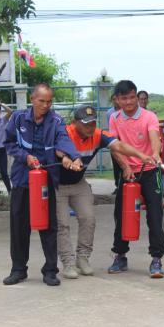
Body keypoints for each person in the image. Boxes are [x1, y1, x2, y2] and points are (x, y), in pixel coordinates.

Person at [57, 105, 155, 279]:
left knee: (88, 219)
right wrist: (65, 158)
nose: (90, 127)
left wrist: (141, 155)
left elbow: (119, 146)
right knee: (62, 224)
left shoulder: (97, 135)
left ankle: (83, 259)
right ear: (75, 123)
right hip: (58, 185)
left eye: (93, 122)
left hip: (79, 183)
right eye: (86, 123)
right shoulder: (65, 132)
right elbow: (58, 149)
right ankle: (68, 263)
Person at [3, 83, 83, 286]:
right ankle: (18, 270)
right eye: (42, 101)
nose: (46, 105)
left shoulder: (56, 120)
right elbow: (9, 143)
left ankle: (50, 271)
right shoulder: (18, 118)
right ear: (32, 99)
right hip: (22, 179)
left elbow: (63, 139)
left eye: (49, 101)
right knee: (19, 226)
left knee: (49, 227)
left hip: (46, 181)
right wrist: (25, 156)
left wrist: (73, 156)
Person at [108, 80, 164, 279]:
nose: (129, 102)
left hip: (150, 171)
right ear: (118, 100)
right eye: (124, 98)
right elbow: (115, 147)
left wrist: (156, 154)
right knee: (122, 215)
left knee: (155, 215)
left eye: (132, 97)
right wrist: (125, 167)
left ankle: (156, 259)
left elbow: (154, 137)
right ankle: (120, 255)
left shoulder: (149, 116)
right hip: (128, 173)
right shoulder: (114, 118)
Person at [107, 93, 121, 194]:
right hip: (115, 142)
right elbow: (110, 128)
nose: (116, 101)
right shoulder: (110, 113)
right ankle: (118, 186)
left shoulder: (125, 111)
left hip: (125, 142)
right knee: (116, 166)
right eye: (114, 99)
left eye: (117, 99)